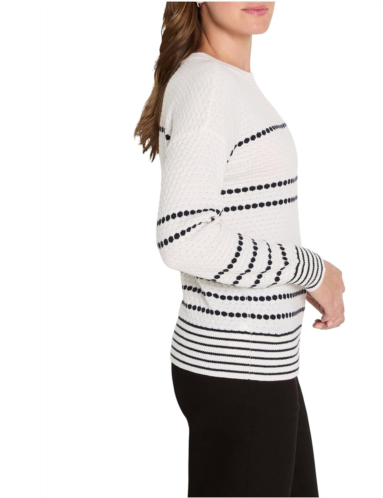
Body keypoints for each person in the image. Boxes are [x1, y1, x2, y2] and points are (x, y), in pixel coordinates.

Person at [135, 3, 346, 496]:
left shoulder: (224, 81)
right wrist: (310, 270)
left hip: (257, 369)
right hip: (238, 371)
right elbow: (183, 236)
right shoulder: (210, 85)